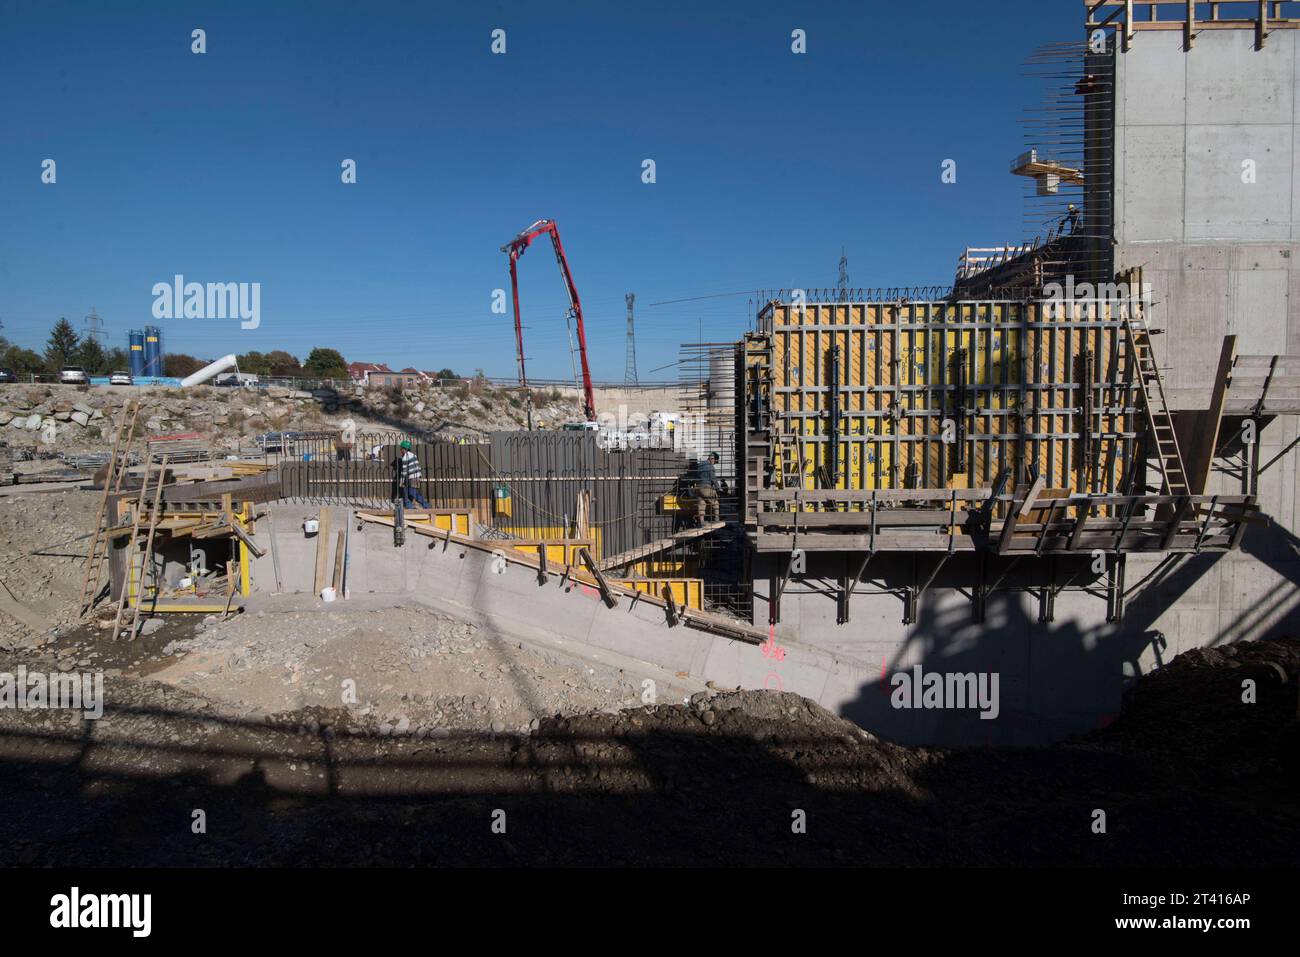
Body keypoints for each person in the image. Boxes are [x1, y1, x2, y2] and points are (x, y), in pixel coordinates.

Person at [395, 440, 429, 508]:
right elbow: (417, 466)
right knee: (410, 493)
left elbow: (404, 471)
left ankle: (425, 505)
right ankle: (411, 506)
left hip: (410, 478)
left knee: (411, 493)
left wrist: (401, 482)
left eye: (401, 448)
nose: (400, 450)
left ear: (404, 449)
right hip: (416, 477)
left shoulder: (405, 458)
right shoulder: (414, 455)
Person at [693, 452, 721, 525]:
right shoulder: (710, 467)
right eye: (715, 461)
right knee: (715, 502)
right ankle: (716, 519)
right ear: (712, 459)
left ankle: (701, 522)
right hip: (706, 488)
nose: (714, 463)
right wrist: (718, 489)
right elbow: (713, 479)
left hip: (697, 488)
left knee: (701, 503)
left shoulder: (700, 465)